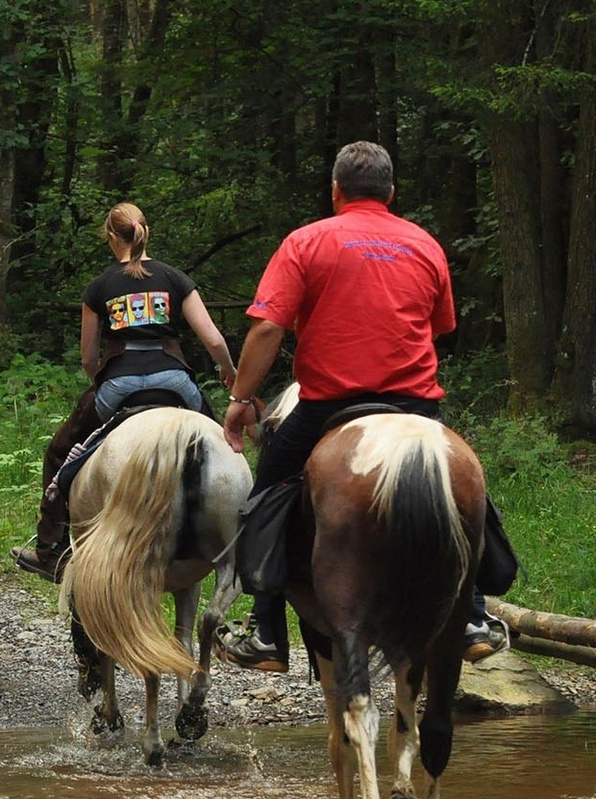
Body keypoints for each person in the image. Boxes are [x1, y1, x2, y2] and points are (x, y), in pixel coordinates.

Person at [214, 141, 509, 672]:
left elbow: (268, 328)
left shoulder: (306, 242)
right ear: (391, 193)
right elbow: (440, 326)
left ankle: (265, 631)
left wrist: (240, 399)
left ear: (335, 191)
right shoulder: (425, 245)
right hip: (414, 407)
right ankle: (472, 615)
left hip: (330, 405)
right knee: (469, 494)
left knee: (268, 494)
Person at [10, 203, 237, 581]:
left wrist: (99, 378)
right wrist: (229, 370)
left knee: (60, 453)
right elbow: (212, 338)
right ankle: (242, 539)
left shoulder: (99, 287)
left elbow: (87, 356)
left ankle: (50, 549)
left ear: (113, 238)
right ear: (145, 231)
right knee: (223, 449)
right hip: (177, 384)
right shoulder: (175, 278)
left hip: (119, 386)